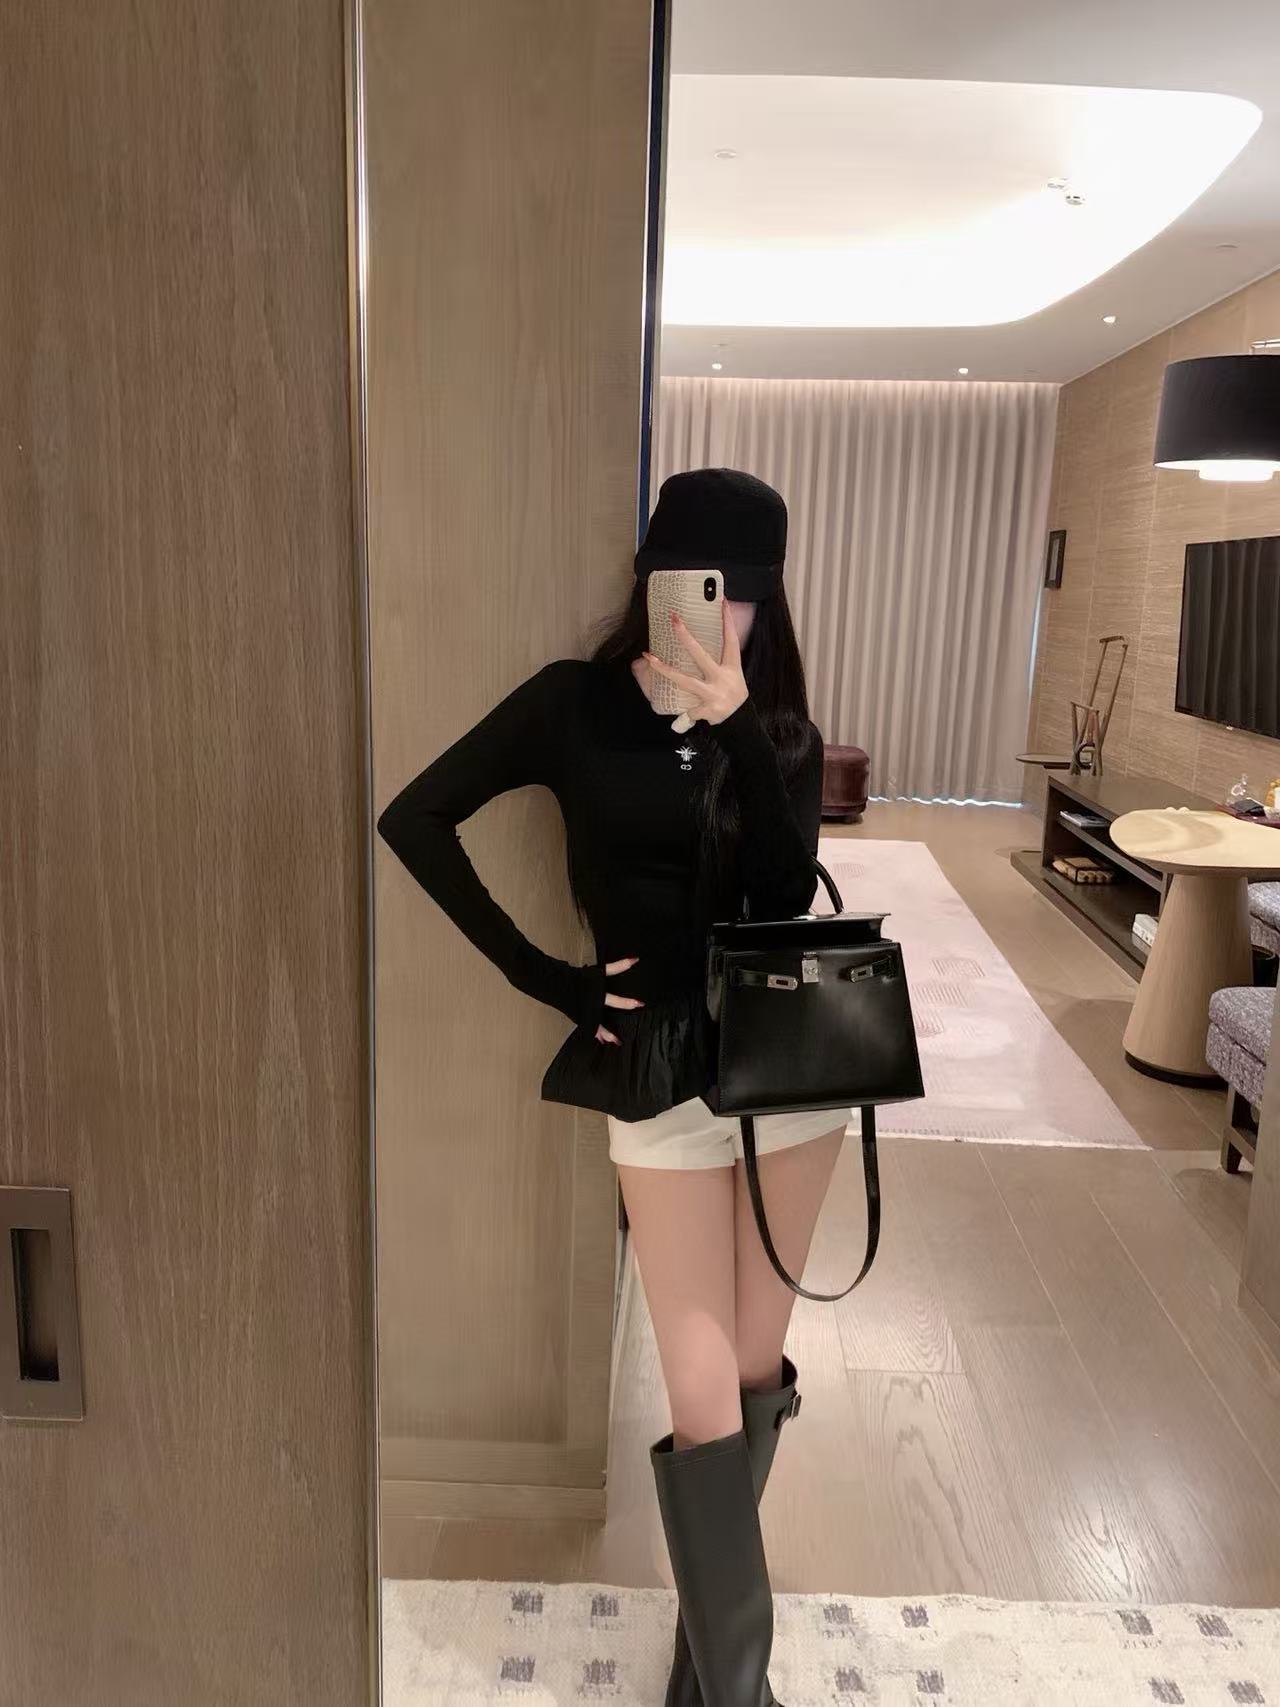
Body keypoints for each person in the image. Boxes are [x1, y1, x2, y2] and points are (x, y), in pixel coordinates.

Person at [377, 468, 847, 1707]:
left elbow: (785, 895)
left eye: (744, 593)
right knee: (701, 1396)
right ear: (650, 581)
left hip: (783, 1073)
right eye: (699, 585)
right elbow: (414, 818)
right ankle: (737, 1692)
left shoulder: (780, 732)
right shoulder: (569, 706)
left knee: (754, 1374)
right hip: (652, 1071)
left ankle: (709, 1677)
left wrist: (736, 726)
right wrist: (552, 980)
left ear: (766, 599)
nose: (720, 614)